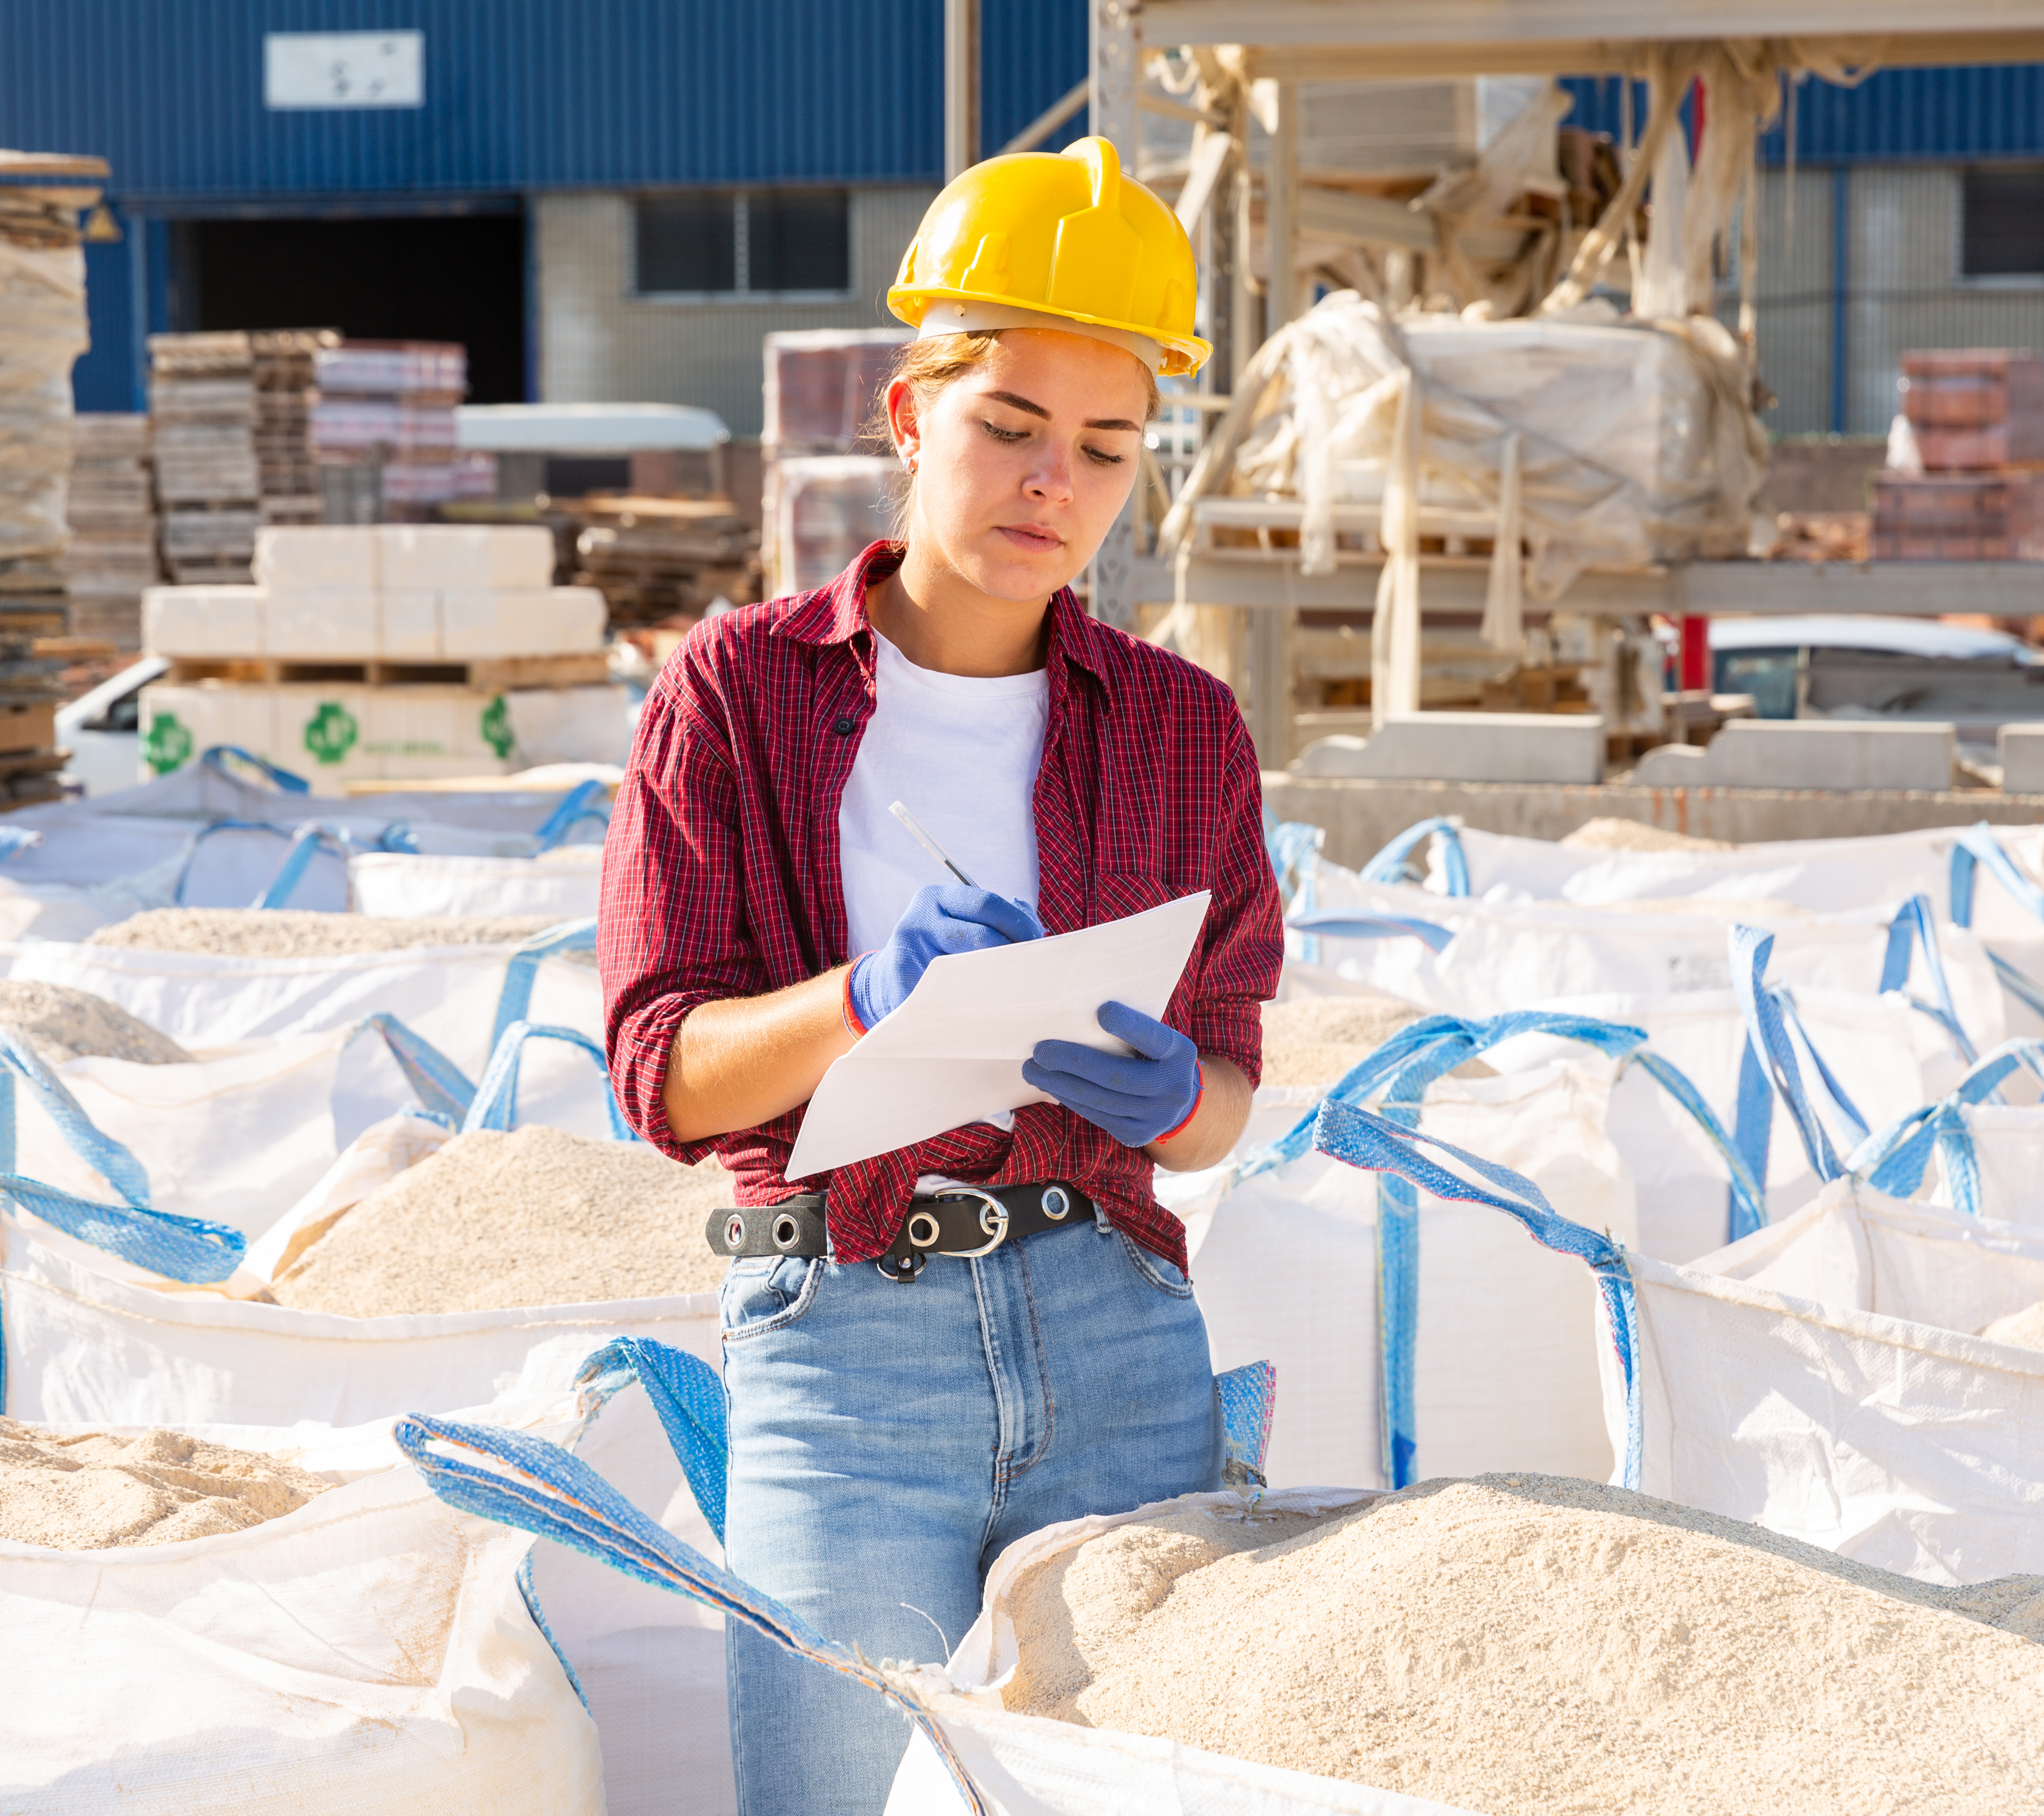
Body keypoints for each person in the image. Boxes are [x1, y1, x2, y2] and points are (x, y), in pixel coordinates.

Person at [599, 136, 1282, 1816]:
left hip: (1118, 1322)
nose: (1053, 482)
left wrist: (1181, 1095)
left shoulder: (1184, 727)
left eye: (1105, 449)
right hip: (843, 1343)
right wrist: (859, 1003)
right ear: (910, 420)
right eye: (1010, 428)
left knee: (1144, 1787)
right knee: (829, 1792)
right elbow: (660, 1076)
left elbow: (1222, 1105)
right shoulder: (736, 696)